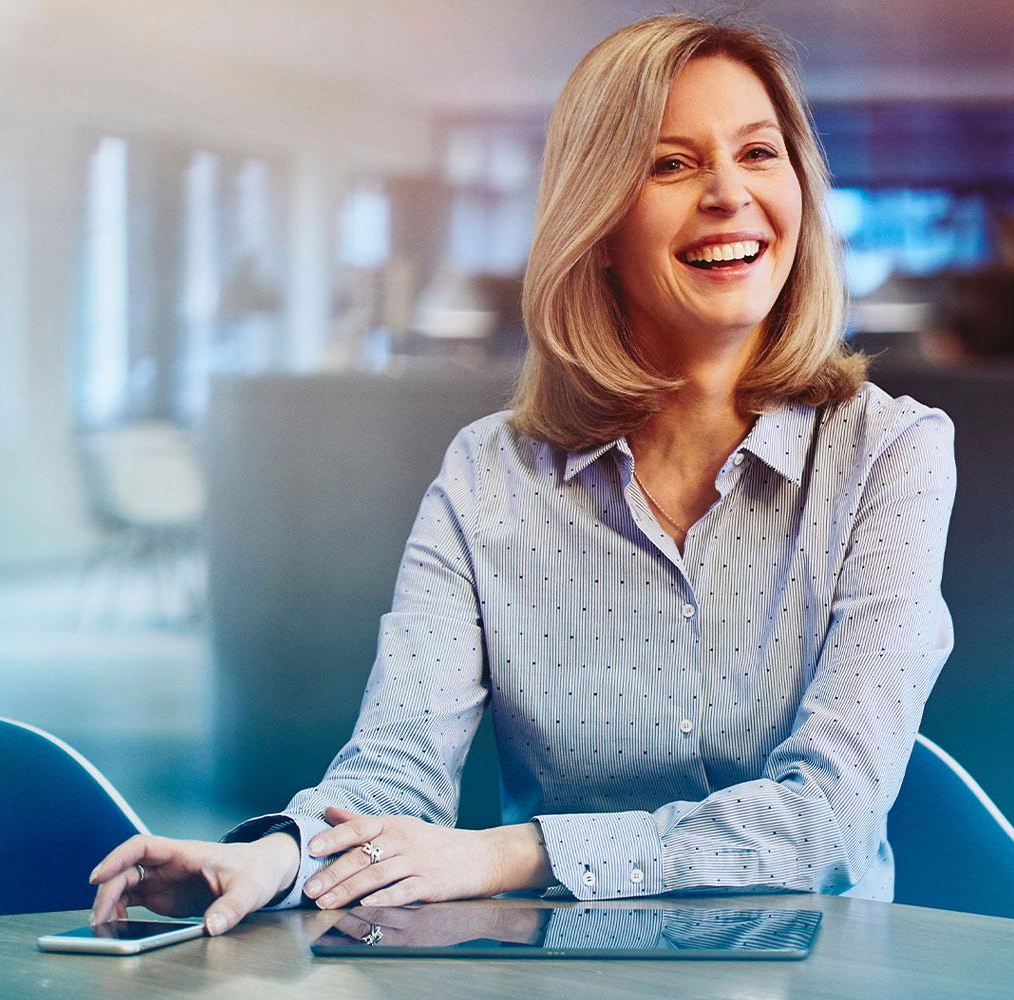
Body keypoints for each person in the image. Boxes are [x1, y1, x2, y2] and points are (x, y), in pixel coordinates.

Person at [88, 13, 956, 936]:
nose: (729, 194)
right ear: (599, 220)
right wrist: (278, 857)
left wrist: (511, 852)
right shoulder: (488, 474)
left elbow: (830, 814)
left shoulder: (889, 454)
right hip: (560, 968)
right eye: (671, 164)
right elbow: (397, 765)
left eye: (758, 153)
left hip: (825, 973)